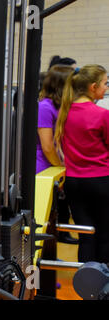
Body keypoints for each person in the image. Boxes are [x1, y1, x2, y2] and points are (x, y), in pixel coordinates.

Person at [54, 64, 109, 262]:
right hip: (101, 181)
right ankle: (102, 288)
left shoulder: (64, 113)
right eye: (105, 83)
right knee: (104, 235)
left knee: (86, 235)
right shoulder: (102, 114)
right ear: (93, 87)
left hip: (74, 183)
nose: (106, 87)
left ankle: (86, 284)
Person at [37, 64, 78, 244]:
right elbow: (47, 146)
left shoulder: (61, 106)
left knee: (54, 218)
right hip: (44, 167)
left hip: (56, 165)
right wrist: (61, 167)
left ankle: (49, 260)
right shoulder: (44, 107)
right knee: (44, 221)